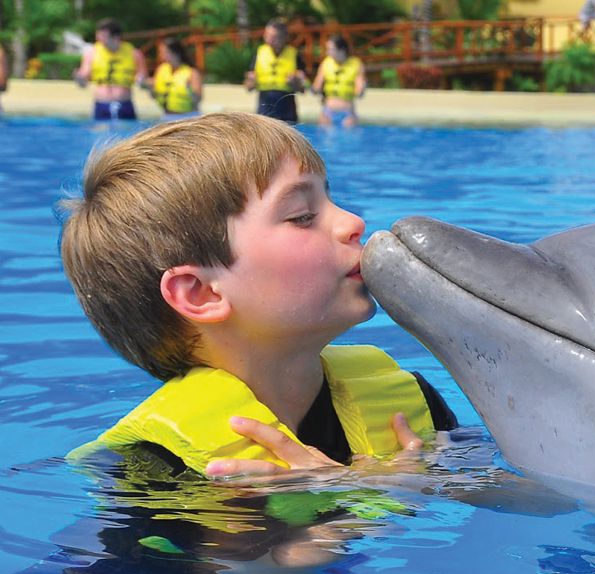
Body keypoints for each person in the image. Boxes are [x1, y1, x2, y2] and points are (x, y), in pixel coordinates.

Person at [61, 113, 459, 479]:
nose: (353, 222)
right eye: (302, 215)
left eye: (329, 198)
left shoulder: (408, 404)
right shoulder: (151, 466)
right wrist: (332, 520)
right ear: (201, 293)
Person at [73, 18, 148, 121]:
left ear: (116, 37)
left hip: (125, 105)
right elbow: (83, 81)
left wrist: (141, 80)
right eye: (98, 36)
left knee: (129, 135)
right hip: (101, 105)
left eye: (103, 36)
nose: (99, 39)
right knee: (100, 135)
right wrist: (79, 78)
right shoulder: (92, 53)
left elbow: (143, 77)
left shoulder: (134, 54)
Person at [244, 19, 307, 123]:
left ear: (284, 37)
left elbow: (303, 90)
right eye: (267, 35)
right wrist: (251, 81)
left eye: (274, 37)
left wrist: (294, 82)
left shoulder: (295, 55)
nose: (269, 40)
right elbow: (248, 87)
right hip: (265, 108)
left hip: (287, 109)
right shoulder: (259, 53)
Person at [311, 34, 366, 128]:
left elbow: (359, 90)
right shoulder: (326, 63)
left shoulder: (356, 64)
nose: (327, 53)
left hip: (347, 113)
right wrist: (313, 88)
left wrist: (361, 89)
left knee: (349, 131)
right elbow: (316, 87)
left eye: (331, 49)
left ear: (342, 50)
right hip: (328, 112)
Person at [148, 38, 202, 119]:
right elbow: (155, 96)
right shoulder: (161, 70)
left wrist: (189, 90)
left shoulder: (192, 72)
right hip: (167, 116)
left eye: (164, 52)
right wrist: (150, 88)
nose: (161, 55)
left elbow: (198, 100)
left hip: (188, 117)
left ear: (176, 53)